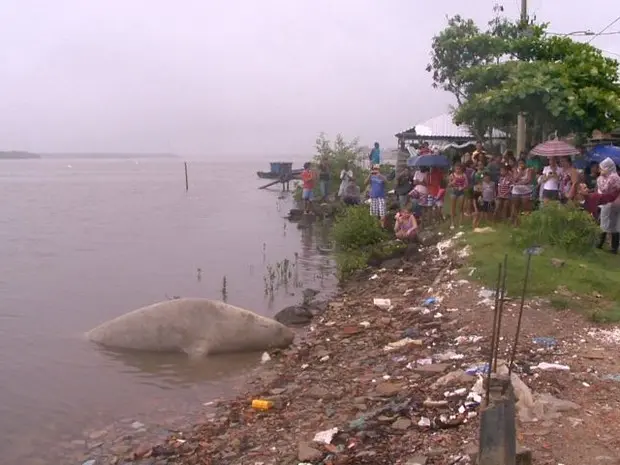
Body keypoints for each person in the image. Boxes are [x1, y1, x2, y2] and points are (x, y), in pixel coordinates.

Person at [596, 157, 620, 253]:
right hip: (613, 202)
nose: (600, 170)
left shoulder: (612, 177)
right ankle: (613, 247)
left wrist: (600, 179)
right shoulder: (615, 176)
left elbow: (604, 189)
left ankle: (600, 244)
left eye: (602, 168)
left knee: (605, 222)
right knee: (612, 224)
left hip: (610, 203)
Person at [510, 159, 533, 224]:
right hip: (516, 190)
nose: (521, 165)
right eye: (519, 163)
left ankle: (525, 221)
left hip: (526, 190)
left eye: (522, 163)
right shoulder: (515, 170)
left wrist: (519, 183)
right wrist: (520, 173)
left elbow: (528, 180)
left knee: (525, 206)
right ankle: (516, 221)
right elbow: (514, 179)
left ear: (525, 164)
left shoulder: (529, 170)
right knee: (515, 206)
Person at [449, 162, 468, 229]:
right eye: (456, 169)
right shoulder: (452, 175)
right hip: (454, 192)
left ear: (461, 169)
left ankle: (461, 223)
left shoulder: (464, 175)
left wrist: (462, 187)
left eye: (459, 169)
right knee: (452, 208)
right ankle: (452, 223)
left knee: (461, 208)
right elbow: (449, 185)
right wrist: (452, 182)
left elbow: (466, 184)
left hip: (461, 192)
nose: (458, 170)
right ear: (454, 169)